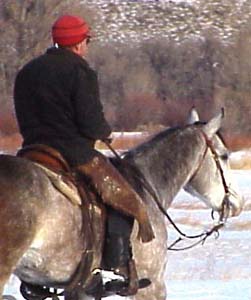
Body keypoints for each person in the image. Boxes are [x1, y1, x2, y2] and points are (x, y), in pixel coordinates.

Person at [14, 14, 154, 295]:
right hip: (72, 151)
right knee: (125, 198)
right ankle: (111, 271)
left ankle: (32, 280)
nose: (87, 45)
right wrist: (104, 132)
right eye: (87, 40)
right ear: (78, 43)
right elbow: (90, 121)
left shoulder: (27, 71)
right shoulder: (80, 71)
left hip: (31, 151)